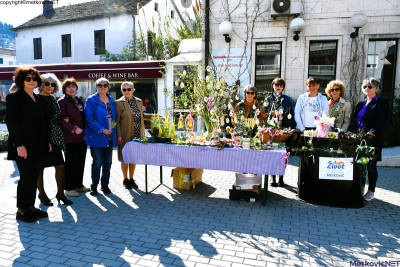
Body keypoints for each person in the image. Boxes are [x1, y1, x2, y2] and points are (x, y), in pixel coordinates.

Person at [6, 66, 50, 222]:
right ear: (21, 81)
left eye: (34, 78)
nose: (32, 81)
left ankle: (30, 207)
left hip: (39, 145)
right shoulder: (14, 98)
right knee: (26, 177)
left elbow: (44, 124)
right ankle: (21, 210)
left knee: (33, 176)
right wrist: (19, 145)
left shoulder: (39, 99)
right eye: (28, 78)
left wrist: (48, 142)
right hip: (23, 146)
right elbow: (12, 122)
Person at [37, 73, 72, 206]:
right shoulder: (35, 99)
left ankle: (60, 194)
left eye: (53, 84)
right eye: (47, 83)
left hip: (55, 136)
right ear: (41, 84)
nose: (50, 86)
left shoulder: (52, 99)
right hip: (41, 136)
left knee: (60, 165)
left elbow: (57, 116)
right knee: (40, 167)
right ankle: (42, 194)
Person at [353, 78, 390, 201]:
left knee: (371, 166)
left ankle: (371, 191)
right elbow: (356, 121)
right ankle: (359, 188)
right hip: (359, 140)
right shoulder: (360, 103)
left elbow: (383, 121)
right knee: (359, 165)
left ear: (376, 88)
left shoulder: (381, 103)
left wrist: (371, 132)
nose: (367, 89)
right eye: (365, 87)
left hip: (373, 140)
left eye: (370, 86)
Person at [116, 82, 156, 189]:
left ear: (133, 90)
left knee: (133, 157)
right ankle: (125, 179)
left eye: (129, 89)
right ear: (121, 91)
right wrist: (119, 135)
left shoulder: (139, 101)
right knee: (125, 157)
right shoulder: (118, 103)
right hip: (125, 133)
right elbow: (117, 121)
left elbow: (141, 116)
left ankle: (131, 178)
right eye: (124, 90)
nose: (127, 91)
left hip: (137, 133)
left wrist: (154, 116)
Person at [58, 78, 90, 198]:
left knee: (80, 162)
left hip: (82, 137)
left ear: (76, 88)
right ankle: (68, 188)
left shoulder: (79, 100)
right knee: (71, 164)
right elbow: (60, 120)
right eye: (68, 86)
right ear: (64, 89)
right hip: (70, 137)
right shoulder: (62, 101)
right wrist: (73, 128)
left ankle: (78, 185)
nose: (71, 89)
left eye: (73, 86)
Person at [85, 77, 117, 196]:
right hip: (97, 136)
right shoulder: (91, 100)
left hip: (109, 137)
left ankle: (105, 185)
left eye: (105, 85)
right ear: (96, 86)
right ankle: (94, 186)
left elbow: (115, 118)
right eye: (100, 85)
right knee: (97, 162)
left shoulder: (112, 100)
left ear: (108, 87)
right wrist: (101, 129)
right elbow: (89, 118)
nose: (102, 87)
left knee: (108, 162)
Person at [263, 78, 296, 187]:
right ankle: (273, 178)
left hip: (284, 130)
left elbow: (292, 114)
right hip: (271, 130)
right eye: (277, 84)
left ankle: (281, 178)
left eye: (281, 85)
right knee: (272, 154)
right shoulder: (268, 99)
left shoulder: (287, 99)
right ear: (273, 85)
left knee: (284, 154)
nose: (279, 86)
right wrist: (271, 114)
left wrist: (293, 130)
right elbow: (264, 114)